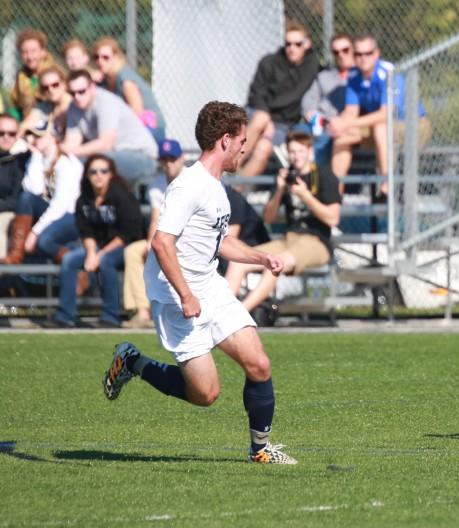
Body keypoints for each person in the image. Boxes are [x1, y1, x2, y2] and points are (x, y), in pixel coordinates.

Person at [102, 100, 298, 465]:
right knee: (205, 394)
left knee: (259, 365)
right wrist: (186, 294)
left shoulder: (216, 187)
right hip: (179, 301)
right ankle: (132, 361)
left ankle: (260, 450)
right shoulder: (188, 186)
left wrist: (260, 258)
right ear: (225, 140)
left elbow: (218, 241)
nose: (245, 147)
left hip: (210, 288)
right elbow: (162, 242)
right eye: (241, 141)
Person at [225, 130, 340, 313]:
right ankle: (223, 311)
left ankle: (238, 313)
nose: (296, 157)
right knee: (238, 261)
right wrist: (279, 190)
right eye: (292, 152)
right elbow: (269, 217)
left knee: (276, 263)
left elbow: (333, 218)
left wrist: (305, 196)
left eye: (301, 152)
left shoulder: (324, 175)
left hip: (316, 241)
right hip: (289, 239)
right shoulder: (287, 177)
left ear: (310, 152)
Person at [44, 155, 143, 328]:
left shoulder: (121, 195)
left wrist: (99, 254)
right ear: (87, 175)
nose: (98, 175)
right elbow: (85, 230)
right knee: (69, 260)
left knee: (105, 261)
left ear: (111, 174)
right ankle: (64, 315)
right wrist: (91, 253)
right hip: (98, 246)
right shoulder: (84, 198)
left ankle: (110, 316)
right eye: (93, 172)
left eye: (103, 171)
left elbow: (130, 232)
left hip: (125, 244)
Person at [326, 33, 431, 194]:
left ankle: (386, 182)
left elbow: (386, 114)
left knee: (380, 126)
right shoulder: (354, 76)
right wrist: (338, 123)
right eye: (358, 54)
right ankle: (333, 193)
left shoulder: (389, 73)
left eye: (367, 53)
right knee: (341, 135)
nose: (363, 58)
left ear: (376, 53)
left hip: (413, 127)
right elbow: (350, 111)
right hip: (381, 130)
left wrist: (347, 123)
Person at [121, 139, 188, 329]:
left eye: (172, 159)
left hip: (187, 238)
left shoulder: (191, 180)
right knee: (134, 251)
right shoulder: (157, 185)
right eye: (164, 160)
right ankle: (142, 312)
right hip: (166, 237)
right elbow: (156, 218)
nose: (168, 164)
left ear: (182, 159)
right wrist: (151, 242)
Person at [240, 20, 320, 177]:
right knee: (261, 118)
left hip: (282, 124)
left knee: (264, 148)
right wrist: (267, 120)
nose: (292, 48)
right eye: (288, 44)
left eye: (297, 44)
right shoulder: (270, 62)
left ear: (306, 44)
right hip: (257, 114)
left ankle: (237, 190)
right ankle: (231, 167)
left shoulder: (312, 64)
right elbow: (256, 94)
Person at [60, 69, 158, 184]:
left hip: (142, 157)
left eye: (81, 91)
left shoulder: (105, 102)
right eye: (72, 93)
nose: (77, 97)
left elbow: (105, 144)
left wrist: (70, 151)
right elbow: (71, 144)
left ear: (92, 87)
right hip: (112, 154)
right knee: (67, 162)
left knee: (97, 163)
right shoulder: (74, 106)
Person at [1, 139, 82, 265]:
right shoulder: (39, 158)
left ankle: (79, 271)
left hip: (71, 215)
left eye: (40, 135)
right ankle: (15, 255)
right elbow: (34, 189)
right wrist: (36, 156)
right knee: (26, 198)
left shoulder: (65, 162)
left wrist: (34, 232)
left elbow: (61, 205)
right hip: (52, 213)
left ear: (53, 137)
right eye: (31, 135)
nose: (33, 139)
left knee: (44, 241)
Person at [93, 36, 167, 143]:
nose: (100, 61)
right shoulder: (105, 81)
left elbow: (137, 111)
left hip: (151, 129)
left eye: (105, 57)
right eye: (96, 57)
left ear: (116, 57)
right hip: (134, 129)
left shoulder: (124, 77)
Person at [300, 33, 354, 167]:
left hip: (340, 125)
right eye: (336, 52)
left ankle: (314, 183)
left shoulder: (360, 76)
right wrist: (310, 112)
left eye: (345, 50)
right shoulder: (324, 76)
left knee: (322, 139)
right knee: (298, 133)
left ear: (353, 49)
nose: (341, 55)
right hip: (318, 122)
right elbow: (309, 100)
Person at [10, 28, 61, 120]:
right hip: (27, 122)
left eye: (33, 51)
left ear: (42, 51)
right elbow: (16, 105)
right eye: (25, 52)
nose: (29, 56)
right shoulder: (21, 75)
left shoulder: (54, 73)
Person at [0, 114, 28, 259]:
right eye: (1, 133)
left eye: (11, 134)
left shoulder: (21, 160)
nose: (6, 137)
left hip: (11, 211)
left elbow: (16, 198)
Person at [18, 67, 72, 140]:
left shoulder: (73, 106)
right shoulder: (44, 106)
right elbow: (24, 126)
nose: (50, 90)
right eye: (45, 88)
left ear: (64, 84)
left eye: (55, 85)